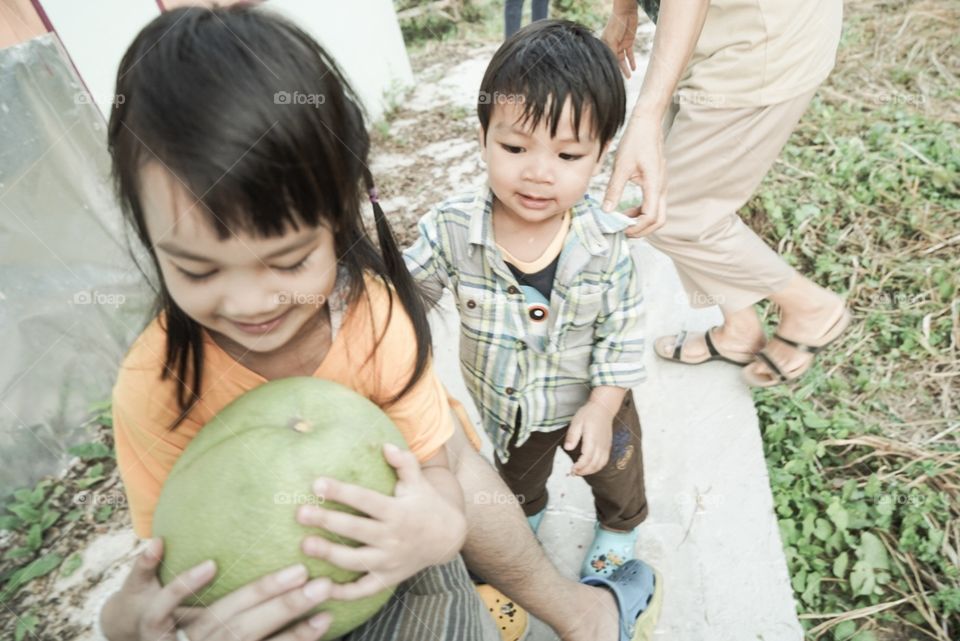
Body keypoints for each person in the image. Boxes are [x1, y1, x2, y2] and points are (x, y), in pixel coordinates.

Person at [95, 6, 655, 641]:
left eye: (287, 261)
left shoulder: (373, 321)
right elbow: (158, 560)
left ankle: (566, 558)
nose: (250, 302)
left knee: (598, 482)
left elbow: (445, 470)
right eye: (197, 270)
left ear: (340, 220)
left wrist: (440, 530)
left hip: (525, 457)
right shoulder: (154, 383)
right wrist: (128, 624)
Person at [404, 14, 661, 614]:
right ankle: (520, 547)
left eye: (569, 154)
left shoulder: (605, 243)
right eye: (515, 147)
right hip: (510, 410)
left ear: (600, 155)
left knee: (617, 473)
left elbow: (623, 332)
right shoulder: (450, 226)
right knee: (514, 492)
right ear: (483, 137)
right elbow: (407, 291)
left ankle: (619, 534)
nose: (539, 172)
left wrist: (602, 406)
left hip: (594, 401)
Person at [600, 0, 850, 385]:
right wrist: (624, 10)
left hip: (760, 39)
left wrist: (647, 115)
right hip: (717, 27)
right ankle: (740, 330)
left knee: (674, 212)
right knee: (669, 186)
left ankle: (811, 308)